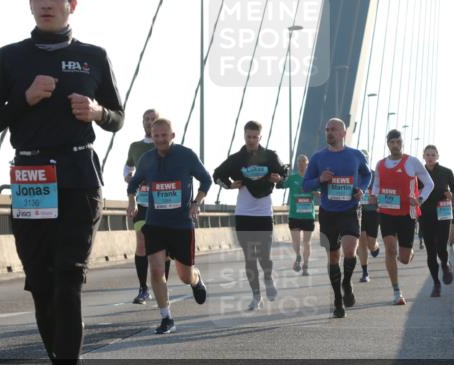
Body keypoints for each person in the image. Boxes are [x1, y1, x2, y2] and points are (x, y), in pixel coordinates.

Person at [0, 0, 124, 365]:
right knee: (41, 287)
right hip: (32, 175)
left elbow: (118, 116)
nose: (46, 3)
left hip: (79, 174)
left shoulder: (94, 56)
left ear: (70, 4)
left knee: (68, 281)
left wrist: (99, 112)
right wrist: (25, 100)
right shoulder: (9, 58)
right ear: (30, 2)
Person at [127, 118, 210, 334]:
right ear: (152, 137)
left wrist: (196, 203)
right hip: (155, 223)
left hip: (181, 224)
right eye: (156, 136)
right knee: (156, 270)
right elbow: (134, 183)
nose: (161, 139)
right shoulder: (146, 159)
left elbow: (206, 180)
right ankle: (167, 318)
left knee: (184, 276)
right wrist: (132, 201)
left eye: (165, 135)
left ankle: (196, 278)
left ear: (172, 135)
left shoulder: (186, 155)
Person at [301, 118, 372, 318]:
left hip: (349, 210)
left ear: (343, 133)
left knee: (350, 251)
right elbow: (306, 185)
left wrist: (362, 190)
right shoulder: (317, 158)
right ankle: (338, 300)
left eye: (333, 129)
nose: (329, 133)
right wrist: (320, 179)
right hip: (328, 213)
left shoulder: (355, 155)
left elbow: (367, 176)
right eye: (327, 130)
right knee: (333, 257)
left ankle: (347, 283)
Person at [213, 121, 286, 311]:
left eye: (255, 137)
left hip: (263, 213)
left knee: (264, 255)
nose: (251, 140)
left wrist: (279, 179)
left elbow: (284, 174)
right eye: (248, 137)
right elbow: (217, 175)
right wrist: (228, 185)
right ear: (244, 136)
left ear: (260, 137)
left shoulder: (270, 156)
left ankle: (268, 279)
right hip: (244, 213)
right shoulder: (236, 159)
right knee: (249, 258)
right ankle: (256, 296)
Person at [373, 130, 434, 305]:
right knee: (390, 249)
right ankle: (397, 291)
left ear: (402, 143)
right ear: (388, 144)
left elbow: (429, 183)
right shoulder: (380, 164)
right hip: (386, 212)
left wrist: (420, 199)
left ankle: (408, 253)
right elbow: (377, 185)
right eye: (392, 142)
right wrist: (373, 195)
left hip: (407, 214)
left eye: (398, 142)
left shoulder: (412, 162)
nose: (395, 145)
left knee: (404, 258)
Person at [123, 108, 170, 304]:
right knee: (141, 244)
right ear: (142, 122)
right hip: (142, 203)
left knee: (165, 248)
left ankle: (163, 285)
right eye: (147, 119)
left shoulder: (169, 146)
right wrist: (128, 177)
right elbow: (128, 167)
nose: (150, 122)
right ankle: (143, 289)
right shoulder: (135, 146)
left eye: (153, 119)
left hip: (164, 203)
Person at [419, 145, 454, 298]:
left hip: (443, 211)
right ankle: (436, 284)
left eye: (433, 154)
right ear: (423, 156)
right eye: (427, 154)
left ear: (437, 156)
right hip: (425, 213)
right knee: (430, 249)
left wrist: (452, 196)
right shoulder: (418, 173)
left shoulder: (446, 172)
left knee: (441, 245)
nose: (430, 157)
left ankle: (446, 264)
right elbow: (412, 190)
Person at [284, 154, 317, 275]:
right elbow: (281, 184)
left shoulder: (312, 179)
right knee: (296, 241)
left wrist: (316, 192)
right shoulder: (292, 178)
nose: (301, 163)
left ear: (307, 164)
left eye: (304, 161)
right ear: (297, 164)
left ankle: (306, 266)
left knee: (306, 242)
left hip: (308, 215)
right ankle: (298, 256)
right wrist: (278, 178)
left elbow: (320, 191)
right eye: (299, 161)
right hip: (294, 215)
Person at [357, 151, 380, 283]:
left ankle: (375, 247)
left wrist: (376, 200)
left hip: (372, 211)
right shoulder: (353, 174)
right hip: (359, 211)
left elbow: (384, 192)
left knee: (370, 243)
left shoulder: (375, 175)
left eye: (364, 158)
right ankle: (365, 272)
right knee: (362, 240)